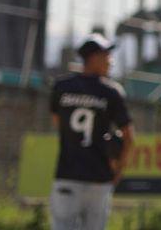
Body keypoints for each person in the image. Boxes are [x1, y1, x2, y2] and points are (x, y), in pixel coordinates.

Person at [49, 32, 134, 230]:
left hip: (67, 175)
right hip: (99, 178)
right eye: (107, 55)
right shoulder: (111, 92)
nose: (110, 61)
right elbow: (129, 137)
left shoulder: (61, 87)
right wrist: (118, 170)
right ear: (94, 57)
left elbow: (58, 123)